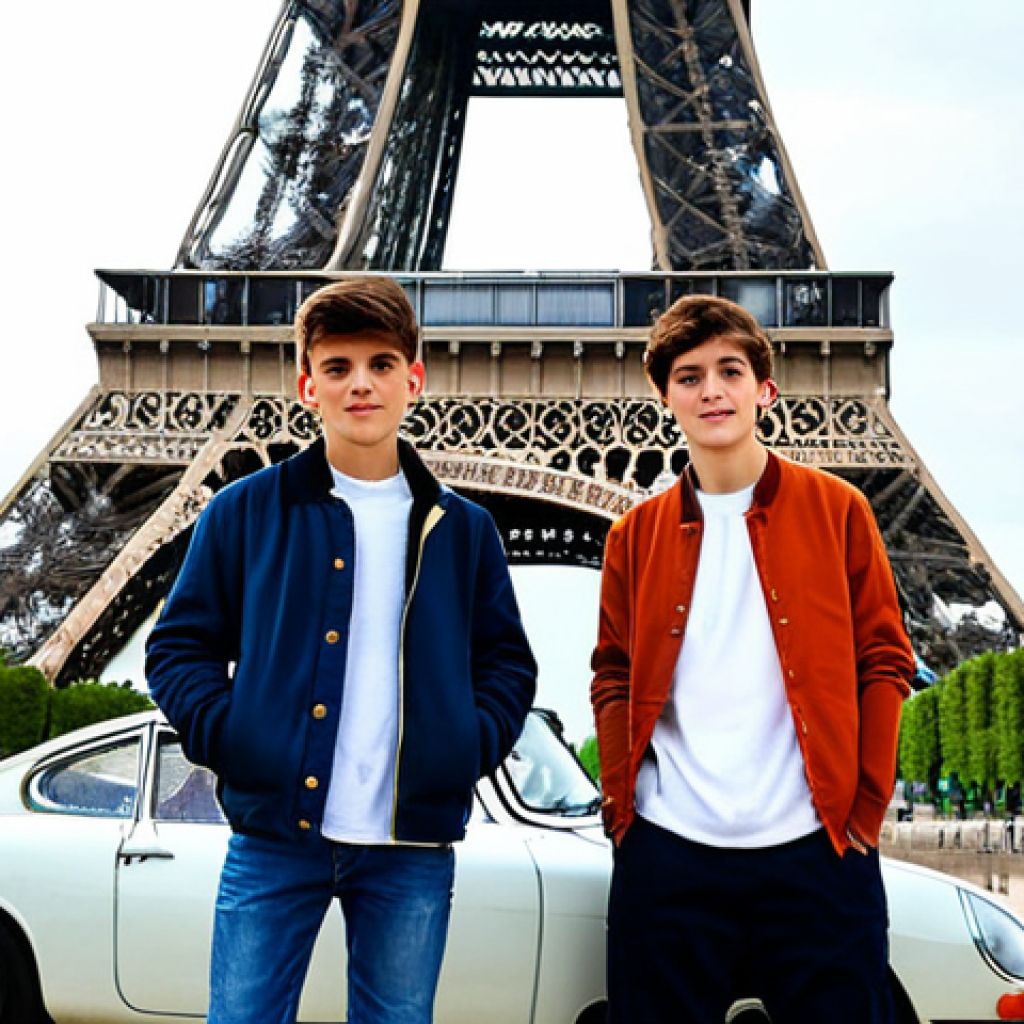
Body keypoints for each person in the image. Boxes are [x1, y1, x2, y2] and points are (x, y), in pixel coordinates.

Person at [146, 276, 537, 1024]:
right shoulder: (243, 511)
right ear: (307, 385)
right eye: (339, 367)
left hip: (411, 842)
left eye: (382, 364)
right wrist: (238, 738)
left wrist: (465, 746)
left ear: (413, 379)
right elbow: (179, 646)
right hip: (273, 834)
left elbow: (507, 665)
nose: (362, 383)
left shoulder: (464, 529)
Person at [590, 294, 914, 1024]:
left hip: (818, 849)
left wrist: (865, 806)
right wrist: (623, 806)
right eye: (690, 375)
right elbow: (612, 671)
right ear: (666, 397)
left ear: (763, 390)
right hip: (669, 853)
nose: (711, 390)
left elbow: (885, 658)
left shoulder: (839, 511)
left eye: (729, 371)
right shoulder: (632, 537)